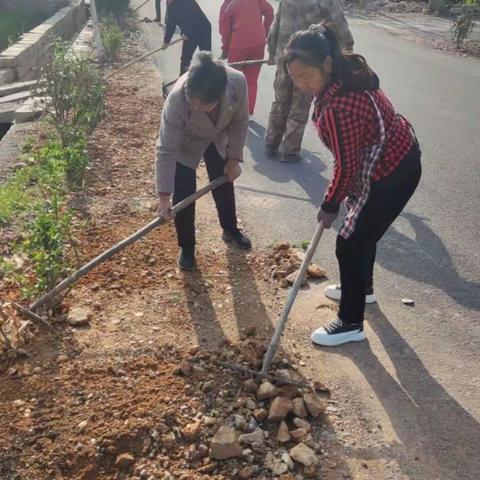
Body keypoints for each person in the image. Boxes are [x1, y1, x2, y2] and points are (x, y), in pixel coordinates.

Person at [285, 25, 422, 346]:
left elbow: (346, 167)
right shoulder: (348, 73)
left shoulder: (339, 106)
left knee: (349, 242)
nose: (302, 85)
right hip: (397, 156)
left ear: (327, 65)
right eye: (295, 79)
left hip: (392, 172)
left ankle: (350, 322)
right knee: (363, 232)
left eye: (307, 76)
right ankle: (363, 289)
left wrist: (329, 204)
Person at [155, 52, 252, 271]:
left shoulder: (236, 83)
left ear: (219, 96)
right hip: (186, 141)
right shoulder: (177, 100)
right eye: (193, 102)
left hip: (218, 135)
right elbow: (166, 149)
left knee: (224, 180)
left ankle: (230, 229)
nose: (196, 107)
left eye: (205, 104)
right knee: (184, 192)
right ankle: (187, 248)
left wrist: (234, 158)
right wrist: (163, 197)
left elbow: (240, 122)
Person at [265, 0, 353, 162]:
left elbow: (275, 26)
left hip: (285, 58)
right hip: (309, 63)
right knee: (300, 105)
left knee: (280, 100)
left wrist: (271, 52)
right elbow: (341, 25)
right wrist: (347, 47)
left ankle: (271, 141)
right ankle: (290, 150)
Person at [219, 0, 274, 118]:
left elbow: (225, 30)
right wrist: (264, 31)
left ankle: (231, 112)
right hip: (258, 44)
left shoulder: (228, 5)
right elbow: (270, 11)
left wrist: (225, 48)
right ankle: (248, 113)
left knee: (233, 80)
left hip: (239, 45)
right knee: (251, 80)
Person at [162, 0, 212, 75]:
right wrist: (166, 41)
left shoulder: (187, 2)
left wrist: (188, 32)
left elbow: (194, 17)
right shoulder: (171, 5)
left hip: (203, 29)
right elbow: (171, 24)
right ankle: (182, 78)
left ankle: (208, 79)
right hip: (190, 32)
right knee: (185, 59)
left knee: (205, 58)